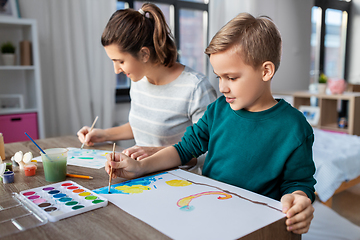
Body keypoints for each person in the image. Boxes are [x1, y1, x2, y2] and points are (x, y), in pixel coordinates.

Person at [105, 12, 316, 235]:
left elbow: (298, 183)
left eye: (232, 77)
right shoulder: (218, 109)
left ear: (266, 71)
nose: (223, 87)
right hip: (210, 214)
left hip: (257, 227)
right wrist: (139, 166)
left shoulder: (294, 126)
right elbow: (184, 150)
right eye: (219, 77)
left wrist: (299, 199)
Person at [77, 3, 216, 164]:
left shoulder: (196, 88)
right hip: (143, 177)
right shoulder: (138, 80)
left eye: (120, 61)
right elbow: (143, 125)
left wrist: (156, 153)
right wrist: (102, 134)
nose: (116, 70)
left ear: (144, 54)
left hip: (181, 182)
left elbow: (210, 152)